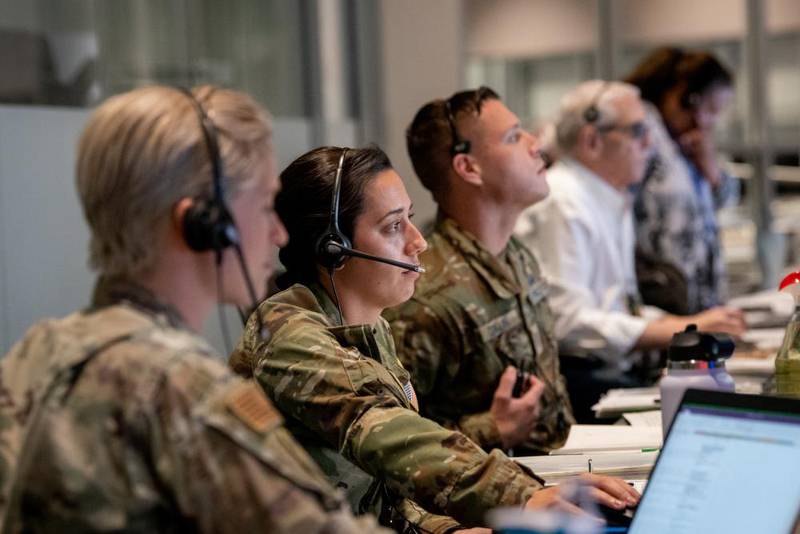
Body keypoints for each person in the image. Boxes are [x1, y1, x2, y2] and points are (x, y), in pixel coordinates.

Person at [0, 85, 390, 533]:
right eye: (265, 206)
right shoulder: (180, 385)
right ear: (202, 223)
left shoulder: (37, 352)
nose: (280, 234)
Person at [230, 145, 640, 531]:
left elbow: (388, 499)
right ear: (334, 247)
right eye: (393, 226)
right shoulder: (288, 333)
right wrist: (523, 496)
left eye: (410, 218)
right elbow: (391, 438)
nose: (418, 241)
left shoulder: (373, 329)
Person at [515, 80, 745, 421]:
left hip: (608, 375)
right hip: (581, 384)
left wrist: (688, 326)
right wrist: (681, 327)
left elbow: (619, 305)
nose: (650, 144)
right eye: (637, 131)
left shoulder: (605, 196)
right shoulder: (562, 202)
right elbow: (567, 323)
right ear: (592, 141)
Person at [384, 87, 573, 454]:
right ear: (469, 167)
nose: (535, 145)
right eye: (514, 137)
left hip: (556, 462)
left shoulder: (516, 255)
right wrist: (492, 429)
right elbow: (392, 442)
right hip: (486, 498)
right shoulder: (422, 296)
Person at [625, 47, 738, 314]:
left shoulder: (685, 143)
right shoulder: (643, 131)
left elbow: (726, 200)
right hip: (660, 297)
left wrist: (711, 169)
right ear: (688, 97)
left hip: (697, 300)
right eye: (708, 108)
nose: (707, 121)